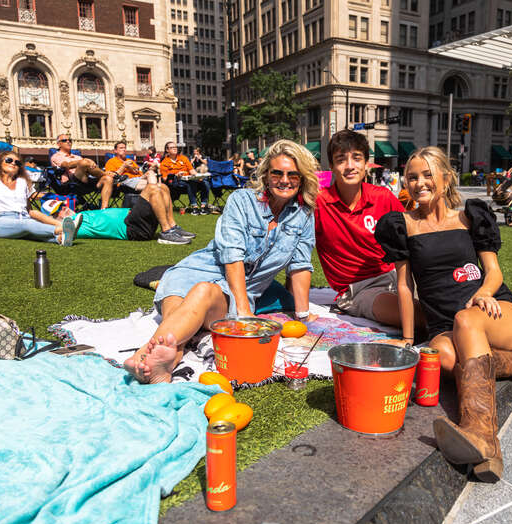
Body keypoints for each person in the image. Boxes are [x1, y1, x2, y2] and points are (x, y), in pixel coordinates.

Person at [375, 147, 512, 483]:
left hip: (494, 313)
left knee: (467, 321)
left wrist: (482, 294)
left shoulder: (470, 217)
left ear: (445, 178)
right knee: (444, 359)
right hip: (443, 325)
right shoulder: (402, 225)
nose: (419, 182)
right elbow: (405, 288)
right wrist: (408, 339)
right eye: (412, 176)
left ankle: (480, 433)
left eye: (427, 175)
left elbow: (493, 272)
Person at [314, 130, 512, 334]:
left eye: (356, 158)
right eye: (341, 159)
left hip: (396, 274)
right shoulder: (317, 203)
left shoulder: (382, 197)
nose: (349, 165)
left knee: (457, 294)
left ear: (366, 163)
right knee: (426, 317)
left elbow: (412, 226)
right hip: (360, 289)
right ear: (331, 165)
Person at [124, 140, 319, 384]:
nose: (284, 180)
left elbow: (300, 266)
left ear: (302, 178)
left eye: (293, 174)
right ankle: (160, 364)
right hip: (195, 270)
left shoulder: (304, 215)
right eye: (277, 172)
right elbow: (232, 256)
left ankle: (144, 357)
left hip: (227, 291)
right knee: (183, 321)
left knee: (202, 295)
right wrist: (244, 312)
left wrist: (302, 313)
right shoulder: (242, 200)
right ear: (266, 175)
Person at [58, 182, 196, 245]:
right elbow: (56, 230)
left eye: (62, 205)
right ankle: (166, 233)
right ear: (56, 218)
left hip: (134, 219)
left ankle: (172, 227)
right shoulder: (73, 223)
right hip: (133, 229)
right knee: (152, 188)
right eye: (58, 210)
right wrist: (60, 225)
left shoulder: (83, 214)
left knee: (162, 187)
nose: (64, 207)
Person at [50, 134, 115, 208]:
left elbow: (88, 166)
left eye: (70, 140)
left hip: (86, 180)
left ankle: (104, 209)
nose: (68, 142)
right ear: (59, 144)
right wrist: (84, 161)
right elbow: (66, 165)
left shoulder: (77, 157)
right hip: (72, 184)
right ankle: (104, 173)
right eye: (64, 140)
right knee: (84, 162)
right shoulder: (56, 156)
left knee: (108, 179)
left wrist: (87, 162)